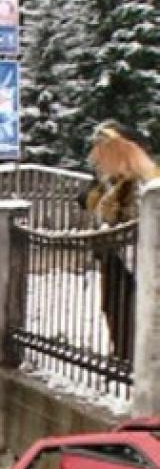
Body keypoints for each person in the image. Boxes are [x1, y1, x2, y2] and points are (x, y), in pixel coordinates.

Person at [80, 120, 155, 360]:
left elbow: (137, 221)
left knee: (129, 311)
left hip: (132, 260)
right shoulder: (110, 183)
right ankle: (124, 357)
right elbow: (90, 204)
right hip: (113, 257)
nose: (97, 155)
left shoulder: (142, 183)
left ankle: (132, 360)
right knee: (113, 308)